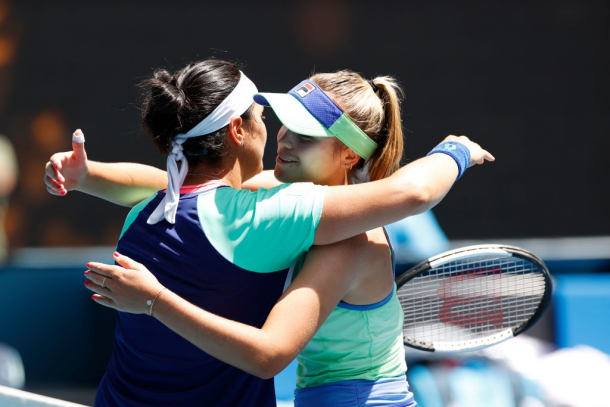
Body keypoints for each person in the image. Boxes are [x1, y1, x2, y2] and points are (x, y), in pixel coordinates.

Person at [45, 59, 493, 406]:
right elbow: (174, 186)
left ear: (352, 156)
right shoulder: (272, 196)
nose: (285, 140)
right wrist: (88, 176)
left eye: (307, 135)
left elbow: (413, 190)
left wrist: (457, 149)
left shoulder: (351, 242)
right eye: (284, 123)